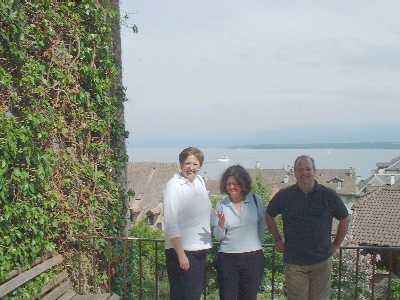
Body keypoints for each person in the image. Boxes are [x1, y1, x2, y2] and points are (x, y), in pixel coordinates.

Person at [265, 155, 350, 300]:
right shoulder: (285, 195)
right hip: (294, 262)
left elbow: (345, 218)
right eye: (300, 169)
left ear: (314, 171)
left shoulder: (327, 195)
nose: (304, 173)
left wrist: (336, 245)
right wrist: (278, 239)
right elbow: (268, 215)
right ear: (295, 173)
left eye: (308, 169)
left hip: (321, 262)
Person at [163, 147, 212, 300]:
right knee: (183, 295)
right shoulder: (174, 186)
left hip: (199, 249)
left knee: (194, 295)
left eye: (195, 164)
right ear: (180, 164)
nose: (191, 168)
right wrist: (181, 255)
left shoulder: (199, 181)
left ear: (200, 165)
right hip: (182, 251)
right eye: (187, 163)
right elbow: (171, 222)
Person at [213, 165, 265, 300]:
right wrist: (221, 224)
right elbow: (218, 237)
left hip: (253, 258)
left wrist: (257, 245)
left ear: (243, 184)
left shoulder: (255, 200)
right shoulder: (221, 205)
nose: (231, 187)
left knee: (249, 297)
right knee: (227, 297)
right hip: (228, 258)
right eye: (228, 184)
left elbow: (261, 225)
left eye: (235, 183)